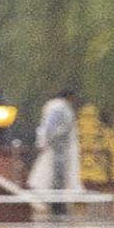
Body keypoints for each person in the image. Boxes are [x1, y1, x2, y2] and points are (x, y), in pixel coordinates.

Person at [27, 88, 82, 216]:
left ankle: (58, 205)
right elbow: (51, 129)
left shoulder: (56, 107)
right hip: (58, 150)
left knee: (57, 177)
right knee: (57, 177)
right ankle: (57, 206)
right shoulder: (59, 108)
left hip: (59, 149)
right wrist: (50, 142)